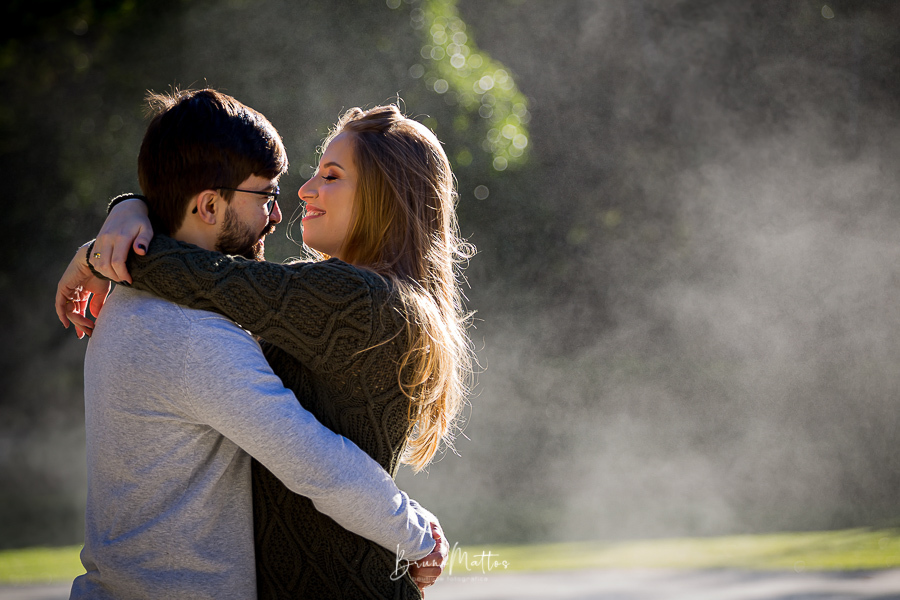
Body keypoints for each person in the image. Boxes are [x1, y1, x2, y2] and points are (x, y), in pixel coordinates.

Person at [55, 89, 446, 600]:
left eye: (329, 175)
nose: (282, 211)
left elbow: (215, 278)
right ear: (211, 204)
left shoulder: (138, 304)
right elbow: (316, 462)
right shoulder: (195, 334)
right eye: (266, 196)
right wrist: (414, 533)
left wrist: (112, 243)